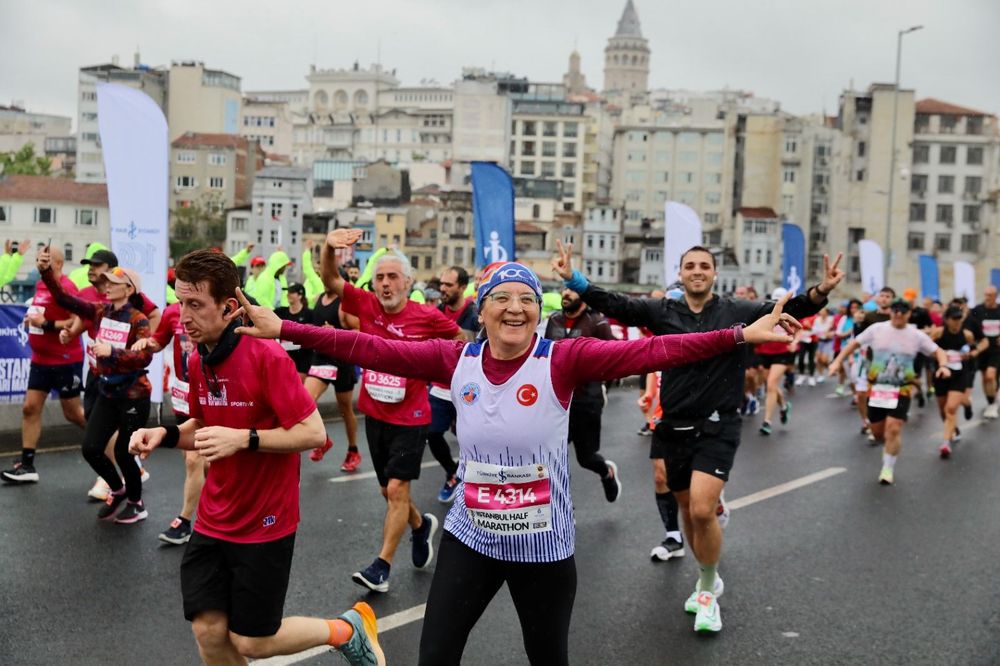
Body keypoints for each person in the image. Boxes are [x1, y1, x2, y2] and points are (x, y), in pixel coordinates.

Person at [232, 258, 800, 659]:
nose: (515, 307)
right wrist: (284, 327)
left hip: (543, 546)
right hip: (472, 537)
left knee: (547, 658)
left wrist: (737, 335)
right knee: (435, 655)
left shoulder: (563, 359)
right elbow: (371, 347)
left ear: (538, 312)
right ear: (482, 311)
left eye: (527, 298)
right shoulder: (456, 360)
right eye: (502, 298)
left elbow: (652, 348)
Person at [552, 241, 843, 633]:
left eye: (704, 265)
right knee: (689, 511)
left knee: (704, 510)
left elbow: (789, 310)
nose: (698, 271)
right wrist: (574, 278)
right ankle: (707, 572)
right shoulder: (663, 311)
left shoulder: (735, 311)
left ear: (714, 273)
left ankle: (707, 590)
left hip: (719, 422)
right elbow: (617, 303)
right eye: (690, 266)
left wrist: (821, 290)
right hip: (674, 424)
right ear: (681, 272)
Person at [127, 250, 382, 665]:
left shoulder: (267, 357)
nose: (183, 316)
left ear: (229, 307)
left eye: (195, 305)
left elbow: (313, 432)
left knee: (251, 642)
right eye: (179, 303)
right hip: (214, 518)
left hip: (265, 523)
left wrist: (244, 439)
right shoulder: (199, 360)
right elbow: (204, 425)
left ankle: (345, 629)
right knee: (208, 631)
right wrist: (166, 434)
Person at [320, 229, 463, 593]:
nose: (384, 284)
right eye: (380, 277)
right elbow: (330, 280)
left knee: (398, 487)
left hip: (412, 417)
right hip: (375, 413)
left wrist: (447, 368)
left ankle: (381, 566)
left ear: (408, 282)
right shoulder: (366, 305)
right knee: (389, 492)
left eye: (392, 277)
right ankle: (420, 525)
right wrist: (328, 248)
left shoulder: (426, 317)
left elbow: (461, 340)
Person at [36, 250, 154, 522]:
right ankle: (118, 488)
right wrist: (46, 273)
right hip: (107, 392)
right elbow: (64, 299)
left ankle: (136, 503)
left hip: (134, 396)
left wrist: (111, 352)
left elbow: (144, 356)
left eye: (112, 283)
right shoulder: (100, 312)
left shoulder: (139, 320)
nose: (106, 286)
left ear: (128, 289)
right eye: (106, 282)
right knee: (90, 447)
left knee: (125, 455)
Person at [62, 248, 160, 501]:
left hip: (129, 386)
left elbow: (154, 317)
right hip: (99, 376)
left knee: (119, 444)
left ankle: (123, 486)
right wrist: (69, 333)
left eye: (97, 266)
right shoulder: (93, 301)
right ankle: (119, 482)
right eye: (90, 266)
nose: (92, 271)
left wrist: (144, 343)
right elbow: (77, 314)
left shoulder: (134, 308)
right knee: (93, 434)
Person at [830, 299, 951, 484]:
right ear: (891, 312)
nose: (898, 314)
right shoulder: (877, 329)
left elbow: (938, 351)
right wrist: (837, 362)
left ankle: (888, 468)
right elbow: (853, 344)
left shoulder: (916, 335)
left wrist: (943, 365)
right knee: (878, 434)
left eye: (903, 311)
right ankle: (886, 446)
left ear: (909, 314)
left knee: (893, 428)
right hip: (877, 388)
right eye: (895, 310)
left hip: (901, 388)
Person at [2, 246, 87, 484]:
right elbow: (39, 314)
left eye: (45, 261)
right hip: (40, 359)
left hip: (66, 361)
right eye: (39, 260)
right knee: (30, 408)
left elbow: (77, 320)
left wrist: (47, 323)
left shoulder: (67, 288)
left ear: (58, 264)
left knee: (73, 414)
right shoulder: (40, 285)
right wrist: (33, 321)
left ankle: (107, 442)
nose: (41, 265)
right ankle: (27, 465)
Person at [131, 298, 205, 544]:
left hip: (208, 392)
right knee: (194, 459)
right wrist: (147, 343)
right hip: (183, 393)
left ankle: (184, 521)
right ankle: (219, 495)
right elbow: (158, 341)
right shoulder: (172, 312)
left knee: (195, 459)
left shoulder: (212, 308)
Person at [544, 286, 621, 501]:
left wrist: (601, 387)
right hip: (556, 401)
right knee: (551, 456)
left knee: (586, 458)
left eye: (572, 291)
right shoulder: (554, 320)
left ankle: (606, 472)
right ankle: (561, 507)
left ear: (584, 297)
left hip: (586, 401)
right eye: (563, 290)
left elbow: (614, 356)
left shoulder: (597, 322)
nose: (566, 294)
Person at [303, 258, 361, 469]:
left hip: (342, 360)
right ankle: (324, 439)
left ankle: (353, 450)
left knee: (345, 410)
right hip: (321, 358)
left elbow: (360, 331)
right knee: (304, 399)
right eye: (322, 275)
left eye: (328, 275)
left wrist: (336, 333)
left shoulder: (345, 305)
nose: (323, 278)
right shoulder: (319, 298)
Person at [428, 265, 479, 503]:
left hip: (469, 388)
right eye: (442, 284)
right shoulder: (437, 311)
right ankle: (453, 472)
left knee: (471, 438)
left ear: (462, 287)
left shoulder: (475, 313)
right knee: (432, 433)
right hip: (440, 385)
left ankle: (479, 482)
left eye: (449, 285)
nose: (443, 289)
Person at [930, 306, 986, 458]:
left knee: (951, 408)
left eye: (959, 318)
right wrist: (940, 356)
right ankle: (955, 426)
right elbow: (927, 348)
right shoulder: (939, 332)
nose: (957, 322)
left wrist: (972, 353)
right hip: (941, 374)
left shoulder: (967, 334)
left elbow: (979, 344)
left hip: (960, 374)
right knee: (943, 410)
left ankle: (946, 443)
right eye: (954, 319)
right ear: (947, 319)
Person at [756, 287, 795, 435]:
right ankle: (784, 406)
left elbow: (801, 326)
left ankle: (767, 421)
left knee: (772, 383)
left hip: (782, 352)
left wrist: (795, 342)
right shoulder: (765, 312)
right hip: (765, 351)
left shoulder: (792, 312)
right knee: (770, 385)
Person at [967, 285, 1000, 419]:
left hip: (997, 349)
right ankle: (990, 401)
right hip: (982, 349)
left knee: (990, 375)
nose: (987, 297)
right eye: (985, 294)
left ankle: (993, 405)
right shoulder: (977, 310)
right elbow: (969, 327)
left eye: (990, 295)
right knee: (985, 377)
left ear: (995, 296)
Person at [275, 282, 314, 381]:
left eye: (292, 292)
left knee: (298, 389)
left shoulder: (309, 314)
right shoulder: (281, 312)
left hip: (303, 358)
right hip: (285, 357)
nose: (288, 294)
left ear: (300, 295)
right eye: (287, 291)